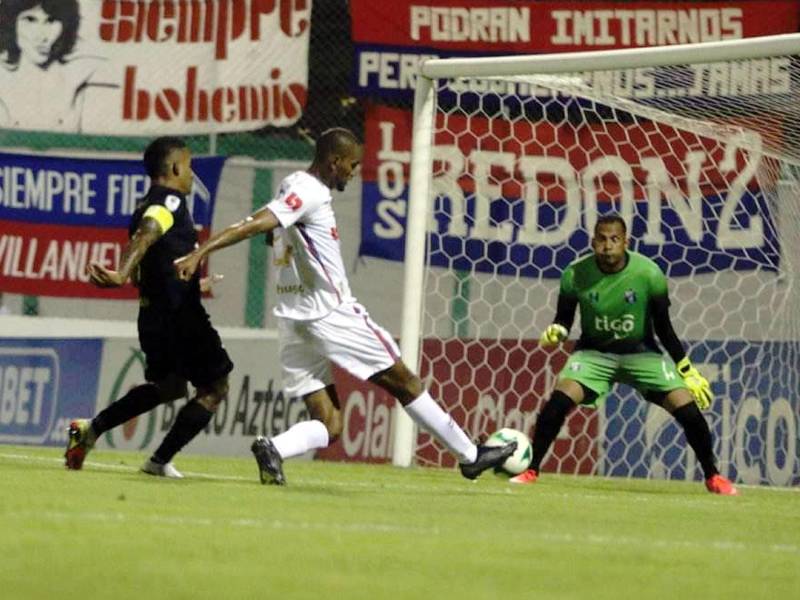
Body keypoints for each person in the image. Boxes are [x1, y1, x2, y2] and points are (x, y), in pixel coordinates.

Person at [174, 127, 516, 485]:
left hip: (293, 320)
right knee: (406, 382)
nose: (354, 173)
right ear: (334, 161)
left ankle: (274, 447)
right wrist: (201, 253)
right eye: (352, 165)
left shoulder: (292, 185)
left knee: (330, 424)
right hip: (330, 313)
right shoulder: (309, 191)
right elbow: (257, 223)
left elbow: (272, 235)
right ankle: (470, 456)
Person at [509, 214, 738, 495]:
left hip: (641, 354)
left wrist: (686, 369)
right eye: (602, 239)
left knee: (689, 412)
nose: (608, 246)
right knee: (556, 404)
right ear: (593, 242)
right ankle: (531, 469)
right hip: (594, 354)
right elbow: (564, 320)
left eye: (614, 239)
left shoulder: (649, 274)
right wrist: (558, 331)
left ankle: (713, 476)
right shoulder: (575, 274)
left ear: (626, 242)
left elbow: (664, 328)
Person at [64, 136, 233, 478]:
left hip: (153, 315)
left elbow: (154, 259)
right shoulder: (169, 202)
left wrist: (192, 284)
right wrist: (121, 272)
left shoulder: (144, 203)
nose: (191, 174)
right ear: (175, 168)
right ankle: (158, 462)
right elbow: (146, 234)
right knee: (215, 387)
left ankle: (91, 429)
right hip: (180, 318)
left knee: (170, 387)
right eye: (189, 166)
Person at [0, 0, 106, 131]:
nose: (41, 36)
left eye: (51, 20)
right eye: (30, 19)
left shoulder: (84, 75)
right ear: (11, 23)